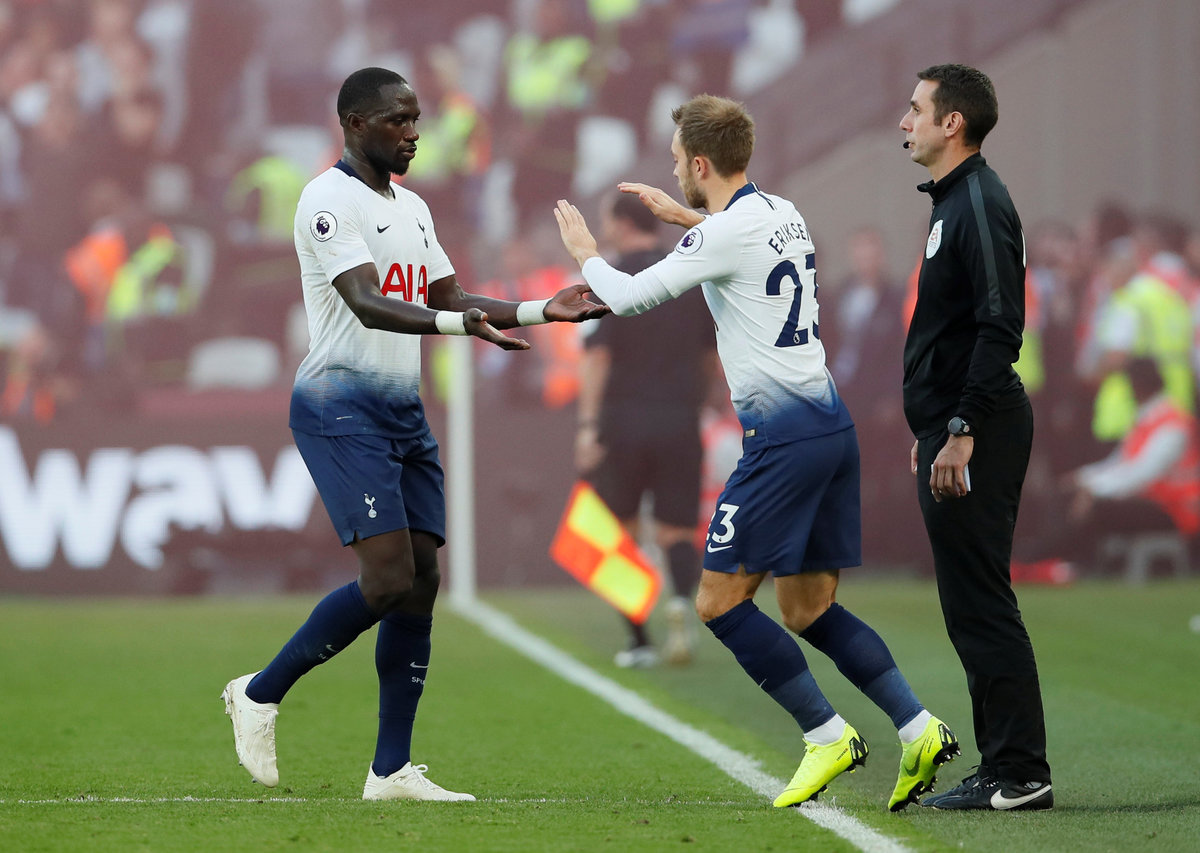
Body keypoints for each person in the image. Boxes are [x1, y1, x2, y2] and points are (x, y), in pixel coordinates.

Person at [555, 93, 958, 811]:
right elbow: (735, 241)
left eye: (676, 160)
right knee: (807, 608)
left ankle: (826, 734)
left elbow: (629, 296)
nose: (671, 170)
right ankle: (918, 726)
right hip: (830, 428)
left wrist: (587, 254)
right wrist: (688, 220)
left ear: (699, 163)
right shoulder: (784, 212)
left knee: (718, 602)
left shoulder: (722, 233)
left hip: (783, 440)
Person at [220, 66, 608, 802]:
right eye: (398, 120)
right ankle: (260, 692)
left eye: (416, 118)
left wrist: (540, 310)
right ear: (355, 123)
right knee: (388, 578)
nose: (414, 133)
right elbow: (367, 302)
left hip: (402, 408)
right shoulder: (326, 201)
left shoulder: (415, 206)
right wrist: (460, 325)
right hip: (339, 406)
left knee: (422, 580)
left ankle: (390, 771)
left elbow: (450, 297)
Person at [898, 63, 1053, 810]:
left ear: (951, 122)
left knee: (982, 600)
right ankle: (1005, 766)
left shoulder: (980, 202)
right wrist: (932, 423)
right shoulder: (952, 201)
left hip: (979, 428)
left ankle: (1020, 771)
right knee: (968, 603)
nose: (905, 122)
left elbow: (1000, 324)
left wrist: (960, 427)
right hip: (952, 425)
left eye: (916, 109)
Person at [575, 191, 719, 668]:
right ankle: (679, 604)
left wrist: (588, 425)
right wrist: (704, 401)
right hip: (679, 417)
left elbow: (598, 357)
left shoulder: (611, 278)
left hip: (624, 419)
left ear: (621, 223)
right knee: (677, 528)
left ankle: (639, 641)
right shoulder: (688, 275)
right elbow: (710, 355)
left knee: (619, 532)